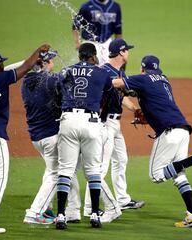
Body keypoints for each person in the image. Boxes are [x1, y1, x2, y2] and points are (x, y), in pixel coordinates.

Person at [113, 55, 192, 228]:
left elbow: (116, 83)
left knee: (156, 175)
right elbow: (152, 99)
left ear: (142, 68)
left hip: (170, 131)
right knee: (178, 175)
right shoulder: (163, 79)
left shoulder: (143, 78)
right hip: (183, 130)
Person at [0, 44, 51, 233]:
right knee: (0, 179)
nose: (2, 66)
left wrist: (31, 61)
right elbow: (21, 70)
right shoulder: (1, 80)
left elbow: (12, 69)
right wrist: (38, 52)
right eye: (0, 64)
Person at [83, 39, 144, 223]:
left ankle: (123, 199)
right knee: (101, 166)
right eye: (128, 50)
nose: (129, 53)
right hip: (105, 124)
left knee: (121, 160)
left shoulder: (119, 72)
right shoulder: (104, 72)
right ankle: (88, 207)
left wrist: (135, 109)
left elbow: (121, 97)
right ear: (122, 52)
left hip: (115, 124)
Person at [19, 50, 81, 224]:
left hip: (36, 137)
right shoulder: (50, 80)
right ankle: (34, 212)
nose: (53, 63)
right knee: (57, 174)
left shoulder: (26, 81)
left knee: (51, 171)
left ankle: (50, 209)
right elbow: (70, 85)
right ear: (44, 63)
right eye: (51, 61)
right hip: (51, 136)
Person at [55, 43, 112, 230]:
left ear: (80, 56)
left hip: (68, 119)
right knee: (93, 170)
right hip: (91, 121)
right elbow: (111, 96)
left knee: (65, 170)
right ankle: (95, 214)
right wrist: (101, 115)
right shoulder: (101, 73)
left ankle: (61, 215)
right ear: (93, 56)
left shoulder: (66, 71)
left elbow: (56, 92)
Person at [72, 0, 122, 65]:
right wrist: (77, 43)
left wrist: (118, 46)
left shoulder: (115, 7)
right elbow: (75, 25)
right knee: (89, 69)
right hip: (90, 43)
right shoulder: (86, 7)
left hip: (107, 43)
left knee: (109, 69)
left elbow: (118, 29)